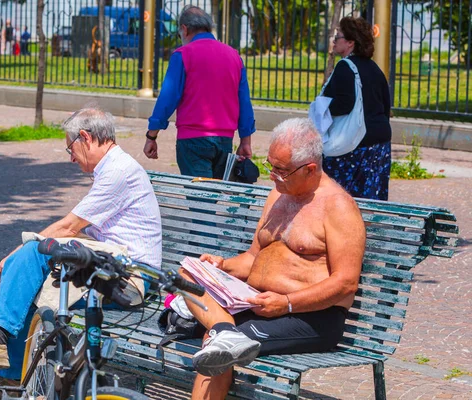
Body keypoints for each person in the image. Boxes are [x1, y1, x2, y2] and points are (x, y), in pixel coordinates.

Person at [0, 108, 163, 400]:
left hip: (130, 277)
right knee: (26, 278)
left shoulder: (119, 172)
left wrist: (17, 253)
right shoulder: (112, 168)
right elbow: (75, 231)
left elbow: (69, 226)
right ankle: (9, 382)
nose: (71, 157)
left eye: (70, 147)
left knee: (32, 252)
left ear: (84, 138)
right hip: (110, 265)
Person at [179, 118, 366, 400]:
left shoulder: (337, 206)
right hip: (258, 303)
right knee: (187, 277)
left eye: (281, 170)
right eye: (271, 166)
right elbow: (254, 257)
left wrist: (286, 303)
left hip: (311, 316)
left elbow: (346, 283)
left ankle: (223, 333)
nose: (272, 176)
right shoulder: (279, 195)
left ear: (310, 169)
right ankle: (224, 329)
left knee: (217, 346)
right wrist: (222, 265)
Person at [143, 5, 255, 179]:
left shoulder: (183, 55)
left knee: (200, 200)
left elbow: (167, 99)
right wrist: (245, 141)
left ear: (184, 29)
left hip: (192, 140)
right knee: (211, 197)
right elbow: (244, 102)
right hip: (224, 140)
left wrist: (152, 135)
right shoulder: (234, 56)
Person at [321, 17, 392, 200]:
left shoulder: (345, 67)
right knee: (371, 200)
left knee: (339, 198)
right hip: (379, 143)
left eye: (338, 36)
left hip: (355, 145)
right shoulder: (374, 68)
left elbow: (344, 104)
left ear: (351, 43)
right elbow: (385, 105)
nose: (335, 40)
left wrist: (321, 108)